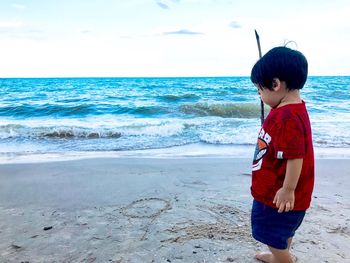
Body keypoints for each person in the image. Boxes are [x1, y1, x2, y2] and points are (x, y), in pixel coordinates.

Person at [250, 46, 314, 263]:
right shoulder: (291, 109)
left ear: (275, 84)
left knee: (269, 231)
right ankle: (280, 255)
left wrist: (287, 190)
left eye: (260, 90)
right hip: (284, 193)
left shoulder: (286, 117)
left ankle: (283, 259)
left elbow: (295, 156)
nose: (260, 95)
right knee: (283, 232)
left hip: (277, 195)